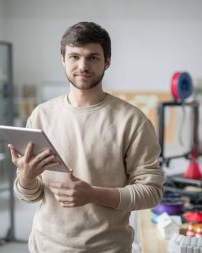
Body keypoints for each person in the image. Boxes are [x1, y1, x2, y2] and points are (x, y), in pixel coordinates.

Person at [8, 21, 165, 252]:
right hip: (45, 246)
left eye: (93, 57)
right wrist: (27, 178)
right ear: (63, 59)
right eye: (74, 56)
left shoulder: (132, 120)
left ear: (107, 61)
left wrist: (93, 194)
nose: (83, 66)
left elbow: (152, 192)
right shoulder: (41, 115)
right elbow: (29, 195)